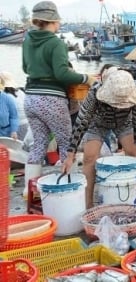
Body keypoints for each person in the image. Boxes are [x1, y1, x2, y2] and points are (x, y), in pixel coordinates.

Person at [22, 1, 96, 198]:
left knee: (39, 144)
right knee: (66, 144)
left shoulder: (27, 40)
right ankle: (69, 192)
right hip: (51, 100)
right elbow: (63, 74)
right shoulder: (56, 43)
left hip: (30, 98)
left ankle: (29, 192)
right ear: (54, 21)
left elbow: (24, 68)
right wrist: (85, 78)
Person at [62, 67, 136, 208]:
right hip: (98, 122)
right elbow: (81, 123)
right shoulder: (94, 92)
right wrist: (70, 155)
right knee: (89, 157)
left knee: (134, 156)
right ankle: (88, 203)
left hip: (124, 122)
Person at [0, 72, 28, 140]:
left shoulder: (8, 98)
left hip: (9, 131)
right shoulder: (21, 91)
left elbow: (14, 116)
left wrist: (13, 131)